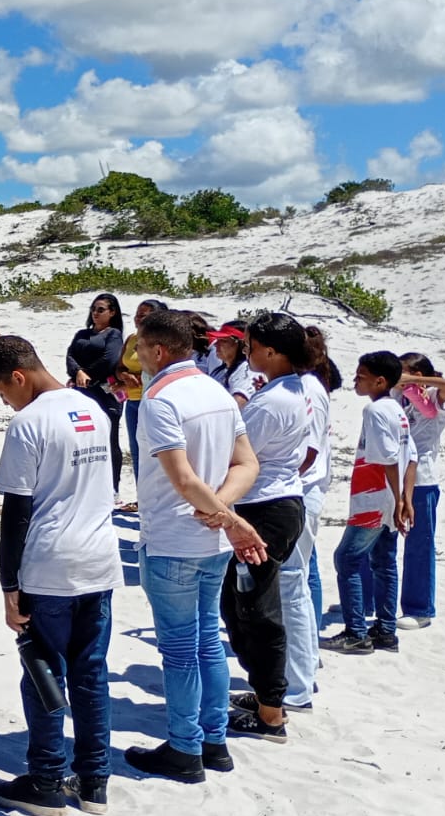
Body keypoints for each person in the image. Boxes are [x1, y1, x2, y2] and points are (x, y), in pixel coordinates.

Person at [0, 335, 121, 816]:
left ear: (19, 377)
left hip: (50, 564)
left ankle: (44, 781)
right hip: (99, 559)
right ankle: (94, 782)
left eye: (2, 393)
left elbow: (16, 514)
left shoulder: (29, 423)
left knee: (42, 673)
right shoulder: (94, 410)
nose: (5, 401)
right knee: (91, 673)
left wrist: (8, 587)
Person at [123, 310, 265, 783]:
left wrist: (225, 517)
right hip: (209, 542)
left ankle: (185, 748)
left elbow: (182, 478)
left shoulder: (161, 399)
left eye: (140, 348)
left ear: (158, 350)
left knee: (182, 650)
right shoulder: (218, 391)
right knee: (207, 641)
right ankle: (215, 739)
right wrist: (223, 511)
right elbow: (246, 464)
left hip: (173, 539)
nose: (137, 357)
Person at [222, 312, 316, 744]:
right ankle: (264, 692)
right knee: (238, 606)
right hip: (276, 502)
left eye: (252, 346)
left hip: (265, 509)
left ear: (273, 352)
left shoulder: (274, 400)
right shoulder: (290, 389)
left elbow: (241, 455)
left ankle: (272, 713)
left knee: (257, 612)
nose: (248, 352)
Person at [322, 352, 415, 655]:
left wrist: (400, 499)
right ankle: (386, 630)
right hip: (389, 498)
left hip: (373, 498)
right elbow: (411, 457)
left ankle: (356, 632)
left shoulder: (374, 411)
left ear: (380, 380)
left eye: (361, 375)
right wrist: (404, 500)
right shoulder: (398, 410)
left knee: (346, 559)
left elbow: (388, 458)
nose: (355, 380)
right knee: (384, 561)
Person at [285, 324, 338, 714]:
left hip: (301, 493)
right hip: (304, 492)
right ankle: (300, 675)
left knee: (293, 588)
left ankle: (297, 687)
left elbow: (308, 452)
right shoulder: (310, 385)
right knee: (299, 582)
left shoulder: (307, 388)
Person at [396, 352, 445, 629]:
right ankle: (373, 597)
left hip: (422, 478)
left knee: (419, 545)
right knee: (377, 538)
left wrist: (415, 381)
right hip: (394, 474)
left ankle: (420, 608)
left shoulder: (435, 397)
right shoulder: (399, 397)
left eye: (404, 373)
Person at [65, 293, 125, 491]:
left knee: (109, 437)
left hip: (104, 391)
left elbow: (109, 360)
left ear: (112, 312)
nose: (95, 313)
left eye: (101, 310)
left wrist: (86, 374)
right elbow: (70, 356)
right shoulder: (82, 334)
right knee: (82, 437)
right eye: (93, 309)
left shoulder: (113, 334)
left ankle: (113, 486)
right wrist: (78, 373)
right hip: (81, 390)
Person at [116, 299, 167, 489]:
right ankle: (142, 496)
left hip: (154, 400)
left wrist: (136, 375)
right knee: (137, 451)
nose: (137, 318)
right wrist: (124, 376)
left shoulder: (161, 343)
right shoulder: (131, 339)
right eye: (137, 314)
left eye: (142, 315)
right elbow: (119, 367)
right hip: (133, 401)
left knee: (157, 452)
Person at [206, 322, 254, 409]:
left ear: (241, 344)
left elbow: (238, 403)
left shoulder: (246, 370)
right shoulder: (220, 371)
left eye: (223, 341)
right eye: (217, 339)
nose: (216, 344)